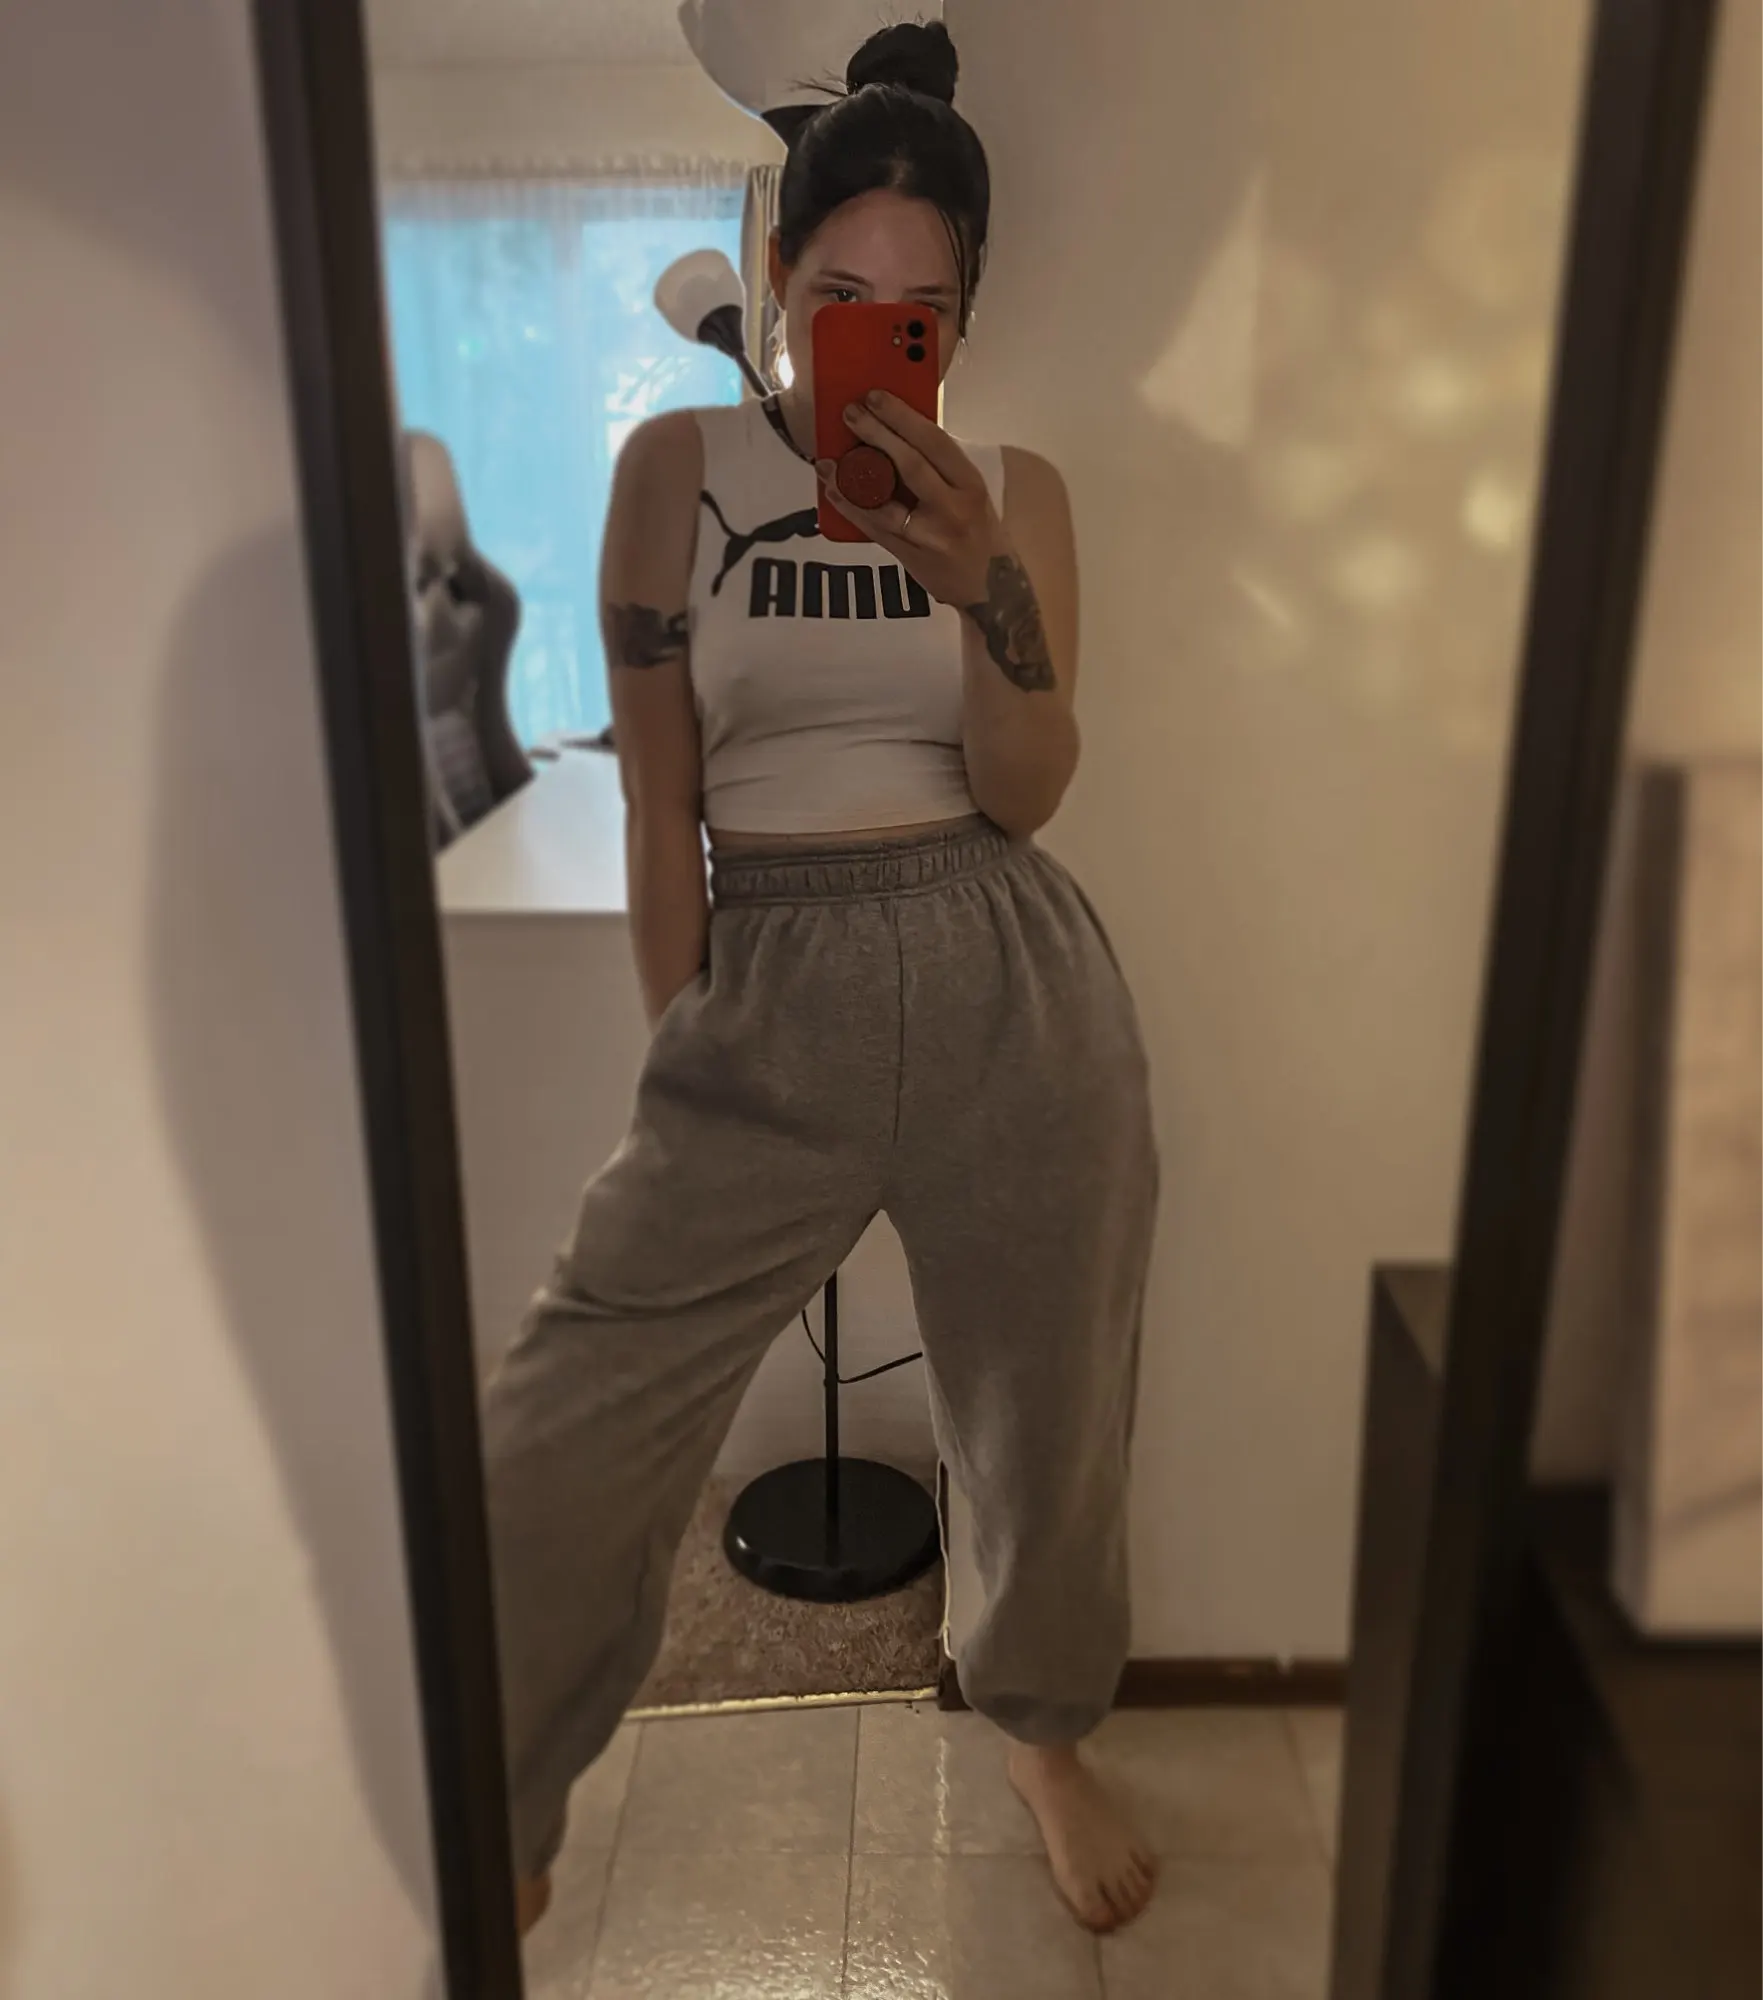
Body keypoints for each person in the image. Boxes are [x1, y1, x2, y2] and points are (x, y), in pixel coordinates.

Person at [483, 19, 1161, 1938]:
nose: (867, 337)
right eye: (834, 296)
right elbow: (659, 802)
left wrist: (981, 593)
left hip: (1002, 966)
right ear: (774, 275)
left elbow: (1027, 792)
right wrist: (682, 1047)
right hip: (764, 972)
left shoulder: (1014, 493)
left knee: (1044, 1405)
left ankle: (1040, 1732)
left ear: (964, 320)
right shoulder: (672, 470)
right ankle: (496, 1789)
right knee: (567, 1414)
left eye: (913, 313)